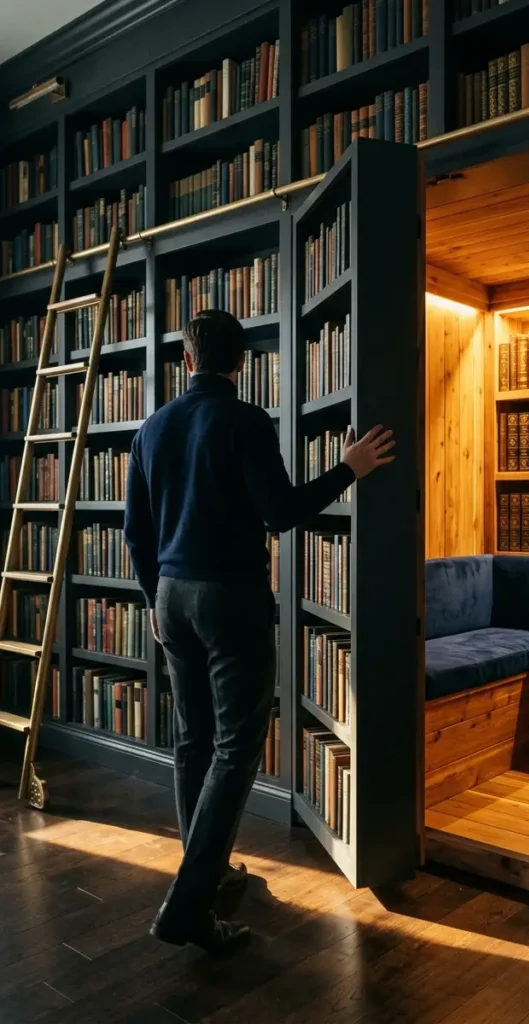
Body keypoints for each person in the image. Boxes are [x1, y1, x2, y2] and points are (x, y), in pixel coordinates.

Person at [124, 309, 394, 952]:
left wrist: (153, 601)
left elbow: (136, 532)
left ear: (187, 360)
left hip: (171, 596)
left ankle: (208, 872)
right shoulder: (247, 422)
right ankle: (189, 902)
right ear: (241, 364)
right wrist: (349, 467)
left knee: (193, 741)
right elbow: (279, 511)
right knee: (236, 747)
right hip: (231, 600)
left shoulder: (151, 428)